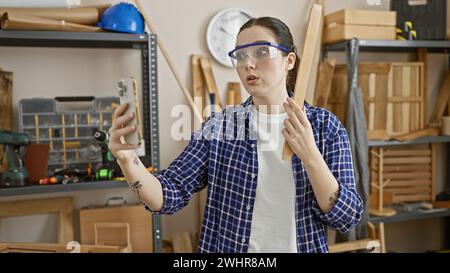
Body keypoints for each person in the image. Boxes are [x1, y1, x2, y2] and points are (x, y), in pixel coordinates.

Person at [109, 16, 363, 253]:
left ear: (289, 61)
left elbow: (347, 217)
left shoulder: (324, 126)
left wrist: (311, 156)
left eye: (262, 51)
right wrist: (128, 161)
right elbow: (167, 195)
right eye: (240, 55)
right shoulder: (220, 127)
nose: (248, 64)